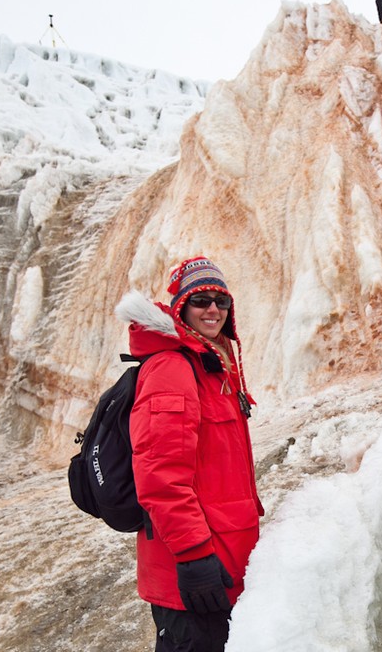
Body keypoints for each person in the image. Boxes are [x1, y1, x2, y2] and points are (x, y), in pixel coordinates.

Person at [116, 257, 263, 652]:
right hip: (192, 574)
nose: (213, 309)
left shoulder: (211, 365)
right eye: (200, 300)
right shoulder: (172, 369)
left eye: (221, 300)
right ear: (181, 307)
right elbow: (160, 475)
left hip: (222, 564)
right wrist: (194, 556)